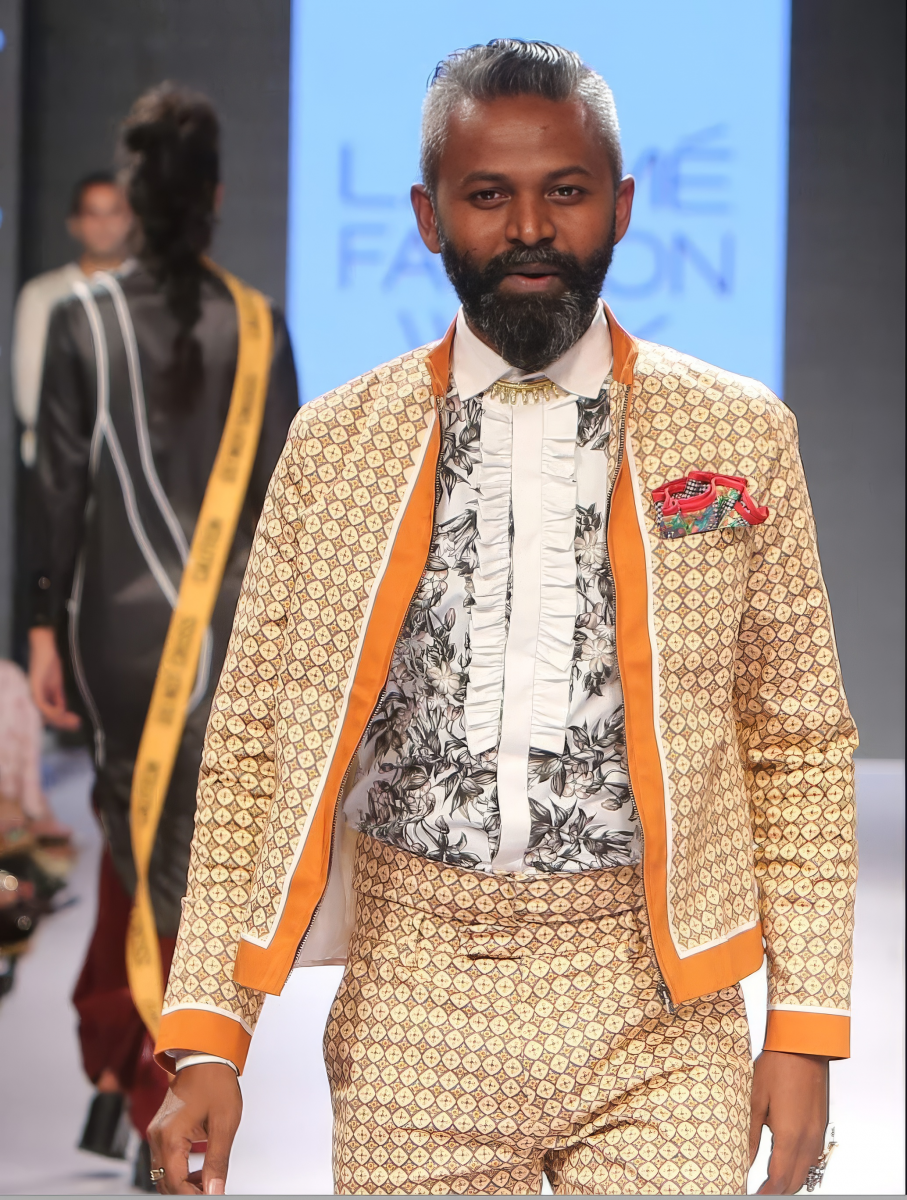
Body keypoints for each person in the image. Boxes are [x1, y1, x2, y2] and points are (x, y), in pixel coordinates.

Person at [149, 41, 856, 1197]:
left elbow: (799, 746)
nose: (530, 227)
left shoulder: (736, 434)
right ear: (429, 216)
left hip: (662, 1003)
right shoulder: (336, 446)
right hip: (416, 993)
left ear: (620, 205)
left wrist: (805, 1026)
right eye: (488, 195)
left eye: (564, 191)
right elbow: (253, 750)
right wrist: (207, 1040)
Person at [27, 83, 299, 1171]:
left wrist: (40, 631)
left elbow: (57, 494)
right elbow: (285, 506)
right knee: (191, 863)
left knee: (141, 849)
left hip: (112, 637)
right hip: (231, 639)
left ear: (132, 199)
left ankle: (118, 1070)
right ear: (217, 197)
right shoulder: (261, 324)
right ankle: (155, 1090)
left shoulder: (79, 319)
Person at [11, 171, 133, 466]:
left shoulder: (151, 293)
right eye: (93, 214)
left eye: (114, 212)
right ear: (74, 223)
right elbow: (30, 394)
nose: (104, 225)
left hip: (134, 460)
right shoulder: (43, 295)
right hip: (59, 460)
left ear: (131, 220)